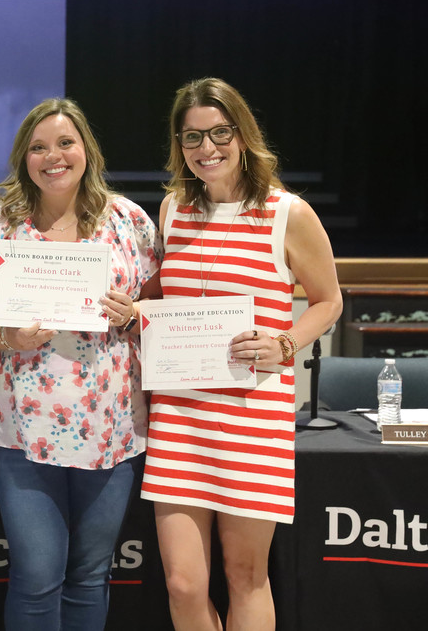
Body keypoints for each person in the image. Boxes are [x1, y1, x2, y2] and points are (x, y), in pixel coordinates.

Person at [0, 98, 161, 630]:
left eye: (65, 143)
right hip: (23, 429)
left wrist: (133, 313)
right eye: (39, 147)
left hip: (113, 428)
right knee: (38, 575)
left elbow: (159, 308)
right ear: (25, 158)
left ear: (85, 149)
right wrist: (8, 336)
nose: (53, 156)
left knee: (91, 574)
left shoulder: (129, 221)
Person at [140, 77, 342, 630]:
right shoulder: (172, 211)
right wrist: (132, 308)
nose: (207, 149)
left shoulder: (286, 213)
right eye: (191, 138)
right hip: (180, 412)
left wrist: (284, 342)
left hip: (253, 413)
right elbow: (165, 297)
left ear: (242, 134)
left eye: (219, 133)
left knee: (245, 573)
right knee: (182, 583)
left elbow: (328, 301)